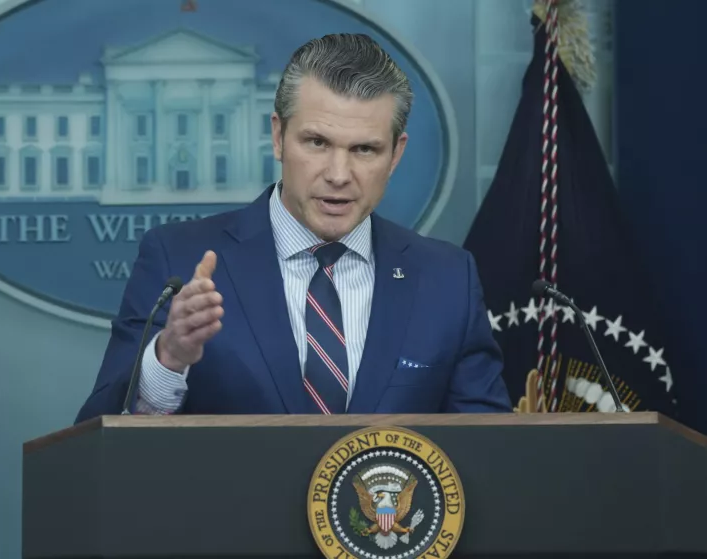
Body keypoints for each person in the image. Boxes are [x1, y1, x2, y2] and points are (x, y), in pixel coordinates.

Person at [75, 33, 511, 421]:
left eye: (364, 149)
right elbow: (102, 433)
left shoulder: (447, 279)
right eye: (317, 143)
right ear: (279, 137)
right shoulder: (177, 259)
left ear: (395, 155)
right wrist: (168, 358)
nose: (339, 174)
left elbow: (489, 457)